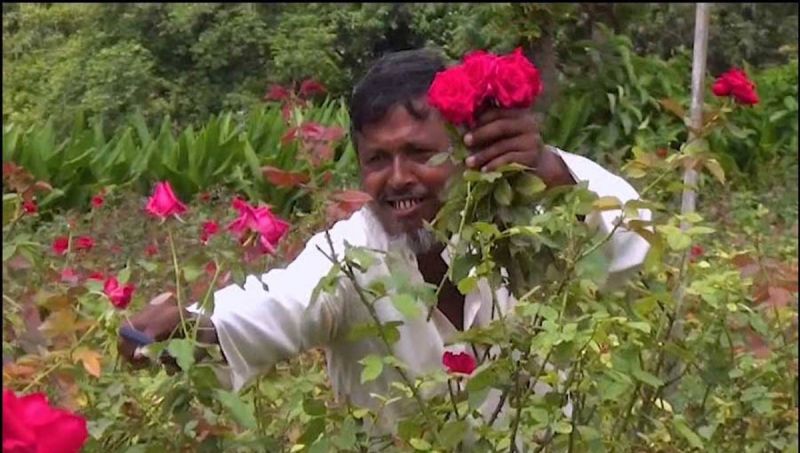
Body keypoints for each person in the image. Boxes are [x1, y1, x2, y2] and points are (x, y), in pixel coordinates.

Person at [118, 49, 650, 433]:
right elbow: (274, 307)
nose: (398, 178)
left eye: (420, 153)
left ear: (466, 148)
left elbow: (630, 250)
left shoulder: (522, 224)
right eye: (377, 160)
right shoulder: (347, 259)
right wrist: (189, 329)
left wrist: (549, 171)